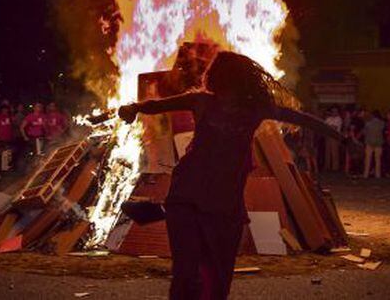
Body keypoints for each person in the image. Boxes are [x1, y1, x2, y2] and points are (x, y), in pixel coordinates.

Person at [119, 51, 343, 300]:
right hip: (194, 197)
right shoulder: (212, 103)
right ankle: (160, 212)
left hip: (215, 202)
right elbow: (157, 105)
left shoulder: (241, 107)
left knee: (207, 272)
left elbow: (156, 105)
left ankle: (157, 212)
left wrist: (133, 108)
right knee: (198, 272)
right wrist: (133, 108)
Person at [363, 110, 385, 179]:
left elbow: (365, 132)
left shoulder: (368, 123)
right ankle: (378, 175)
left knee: (368, 159)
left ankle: (366, 174)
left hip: (369, 142)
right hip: (378, 143)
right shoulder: (382, 123)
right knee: (378, 160)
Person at [324, 107, 342, 171]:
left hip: (334, 136)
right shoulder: (329, 118)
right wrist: (329, 126)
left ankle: (335, 167)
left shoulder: (339, 119)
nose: (334, 112)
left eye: (335, 111)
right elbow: (324, 125)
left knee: (334, 152)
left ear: (337, 112)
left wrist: (329, 126)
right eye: (333, 111)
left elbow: (335, 128)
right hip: (328, 136)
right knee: (327, 152)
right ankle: (327, 166)